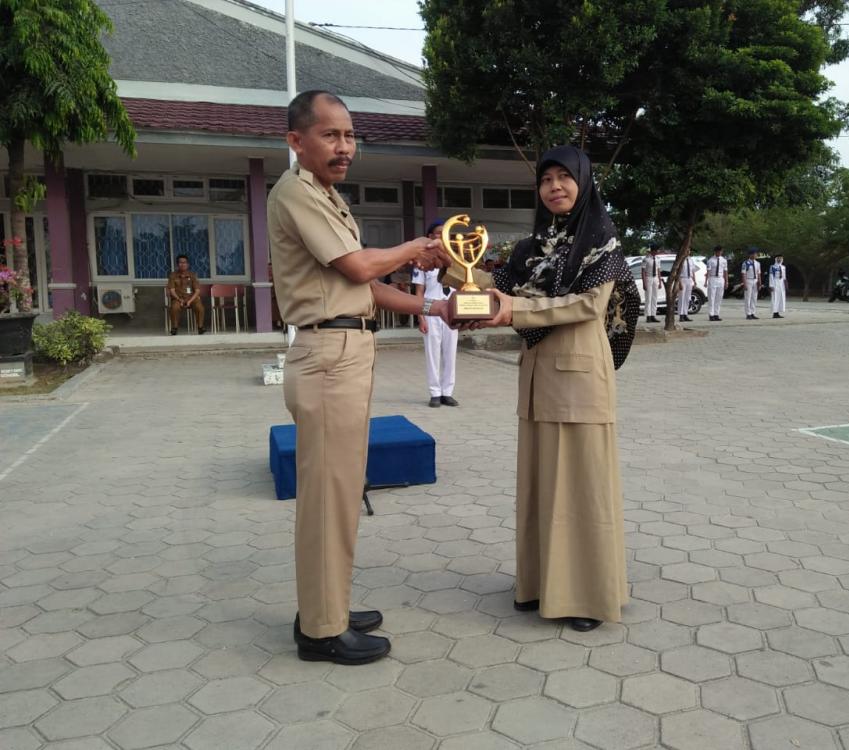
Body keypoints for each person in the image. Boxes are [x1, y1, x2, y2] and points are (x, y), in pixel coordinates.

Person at [267, 90, 452, 665]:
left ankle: (329, 605)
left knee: (344, 491)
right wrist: (417, 249)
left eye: (349, 135)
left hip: (346, 348)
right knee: (328, 496)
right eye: (331, 135)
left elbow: (366, 286)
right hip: (327, 354)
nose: (344, 146)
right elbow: (357, 266)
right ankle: (321, 631)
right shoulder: (296, 191)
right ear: (297, 142)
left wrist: (432, 309)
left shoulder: (327, 196)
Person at [446, 145, 640, 632]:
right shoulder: (531, 249)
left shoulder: (602, 241)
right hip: (536, 377)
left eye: (564, 177)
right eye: (546, 179)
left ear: (583, 182)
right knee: (539, 485)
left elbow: (586, 306)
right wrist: (448, 265)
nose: (554, 186)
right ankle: (538, 585)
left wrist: (512, 312)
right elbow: (497, 288)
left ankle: (588, 597)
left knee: (581, 487)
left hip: (579, 377)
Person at [413, 219, 459, 407]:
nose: (440, 236)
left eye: (443, 233)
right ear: (430, 237)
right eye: (436, 233)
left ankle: (447, 392)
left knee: (450, 353)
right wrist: (420, 317)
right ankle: (434, 392)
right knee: (432, 353)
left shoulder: (456, 260)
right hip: (431, 311)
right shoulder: (421, 261)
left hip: (451, 311)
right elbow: (418, 292)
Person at [166, 255, 206, 334]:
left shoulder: (193, 275)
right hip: (178, 298)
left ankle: (200, 327)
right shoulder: (173, 275)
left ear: (188, 264)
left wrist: (190, 301)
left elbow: (197, 290)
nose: (183, 264)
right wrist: (178, 299)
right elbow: (172, 290)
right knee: (174, 308)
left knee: (199, 307)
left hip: (191, 298)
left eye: (184, 262)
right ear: (177, 264)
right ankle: (174, 328)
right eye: (180, 262)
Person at [706, 245, 727, 321]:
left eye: (720, 251)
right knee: (711, 298)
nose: (719, 252)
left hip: (720, 279)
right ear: (715, 252)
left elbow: (725, 271)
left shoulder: (724, 260)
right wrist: (706, 281)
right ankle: (711, 315)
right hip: (713, 278)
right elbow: (708, 271)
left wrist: (726, 281)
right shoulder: (710, 260)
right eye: (718, 251)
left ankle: (716, 314)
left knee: (719, 298)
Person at [641, 245, 662, 322]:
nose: (657, 252)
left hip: (655, 278)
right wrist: (644, 282)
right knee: (648, 298)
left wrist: (660, 281)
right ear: (653, 250)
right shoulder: (646, 259)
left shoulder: (658, 259)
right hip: (649, 278)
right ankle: (648, 316)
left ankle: (653, 315)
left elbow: (659, 271)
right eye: (656, 250)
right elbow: (643, 271)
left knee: (654, 297)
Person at [742, 248, 761, 320]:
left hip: (755, 281)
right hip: (748, 280)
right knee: (748, 298)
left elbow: (759, 273)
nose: (756, 255)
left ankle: (753, 313)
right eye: (754, 254)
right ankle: (748, 313)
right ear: (751, 254)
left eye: (756, 254)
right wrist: (745, 284)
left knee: (754, 298)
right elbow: (743, 274)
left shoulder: (757, 263)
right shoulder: (745, 263)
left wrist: (760, 282)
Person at [677, 253, 696, 323]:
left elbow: (693, 271)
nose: (688, 252)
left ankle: (685, 314)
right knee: (681, 298)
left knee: (687, 298)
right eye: (686, 250)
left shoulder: (691, 260)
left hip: (689, 279)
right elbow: (678, 272)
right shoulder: (681, 260)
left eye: (689, 250)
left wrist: (694, 281)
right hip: (683, 279)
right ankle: (681, 315)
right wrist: (679, 282)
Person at [770, 254, 788, 318]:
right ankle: (774, 313)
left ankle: (778, 312)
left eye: (781, 258)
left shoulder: (783, 267)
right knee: (775, 298)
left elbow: (784, 277)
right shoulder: (772, 267)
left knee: (781, 298)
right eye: (778, 258)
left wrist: (786, 285)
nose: (779, 259)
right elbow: (771, 276)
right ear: (776, 259)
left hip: (781, 283)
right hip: (775, 282)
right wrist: (771, 285)